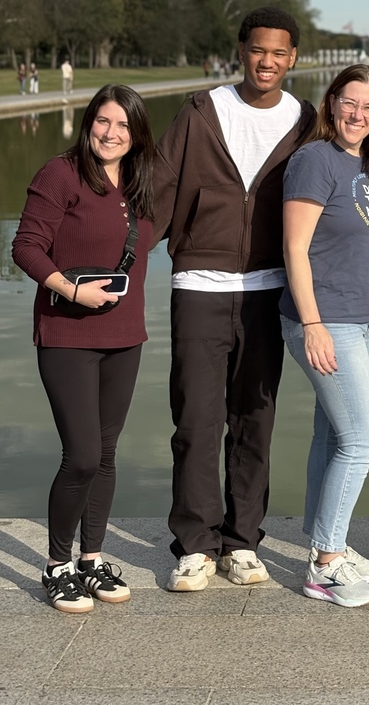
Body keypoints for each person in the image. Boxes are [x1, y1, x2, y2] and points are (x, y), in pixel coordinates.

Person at [152, 5, 316, 592]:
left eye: (279, 52)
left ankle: (243, 542)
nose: (267, 61)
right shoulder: (203, 112)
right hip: (199, 285)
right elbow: (158, 190)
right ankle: (195, 544)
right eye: (257, 50)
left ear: (293, 58)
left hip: (269, 291)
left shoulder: (306, 121)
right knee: (196, 419)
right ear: (241, 51)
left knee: (255, 420)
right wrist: (112, 266)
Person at [12, 85, 155, 613]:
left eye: (123, 125)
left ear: (137, 134)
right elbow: (25, 245)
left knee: (108, 452)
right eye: (102, 121)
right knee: (83, 455)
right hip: (66, 332)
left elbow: (158, 232)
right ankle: (57, 566)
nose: (111, 133)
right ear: (88, 122)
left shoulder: (141, 181)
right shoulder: (60, 173)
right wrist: (71, 289)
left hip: (126, 336)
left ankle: (91, 561)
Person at [280, 64, 369, 608]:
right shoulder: (313, 160)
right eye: (350, 103)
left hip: (365, 319)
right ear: (330, 103)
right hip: (327, 320)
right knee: (363, 439)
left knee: (332, 435)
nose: (358, 115)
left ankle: (329, 544)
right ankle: (326, 564)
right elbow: (295, 248)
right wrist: (312, 324)